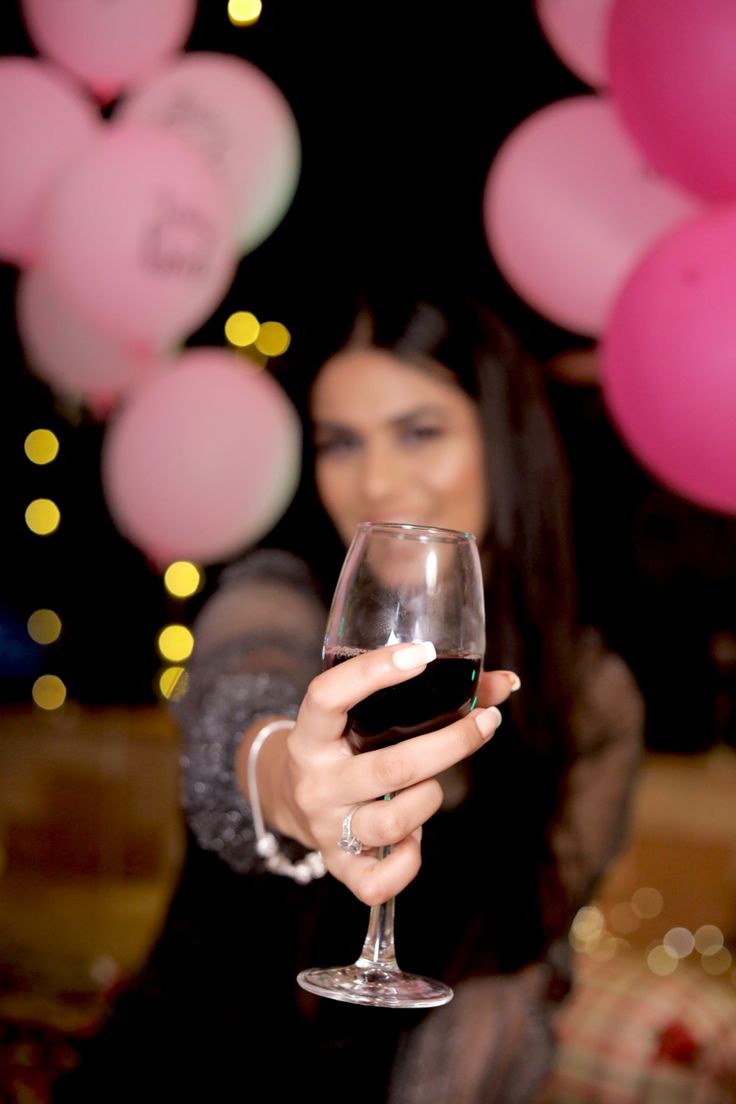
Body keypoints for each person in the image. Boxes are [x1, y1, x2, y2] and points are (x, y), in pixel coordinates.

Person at [52, 289, 644, 1103]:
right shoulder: (281, 593)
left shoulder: (587, 697)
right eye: (340, 442)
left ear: (502, 438)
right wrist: (288, 785)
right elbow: (241, 697)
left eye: (419, 432)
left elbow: (526, 944)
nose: (375, 479)